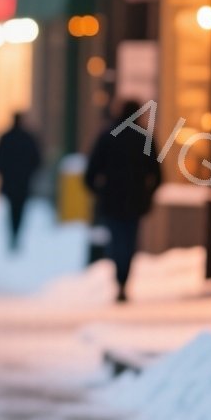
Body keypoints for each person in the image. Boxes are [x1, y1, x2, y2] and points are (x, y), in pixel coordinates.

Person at [84, 98, 162, 302]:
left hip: (112, 199)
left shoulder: (108, 135)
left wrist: (99, 191)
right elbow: (157, 173)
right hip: (135, 200)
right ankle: (123, 280)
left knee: (117, 240)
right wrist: (148, 194)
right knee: (129, 240)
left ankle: (120, 280)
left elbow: (91, 172)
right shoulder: (144, 137)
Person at [0, 112, 43, 251]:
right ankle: (16, 235)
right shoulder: (28, 138)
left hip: (10, 181)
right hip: (23, 182)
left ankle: (13, 235)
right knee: (20, 210)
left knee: (11, 209)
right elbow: (37, 160)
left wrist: (4, 173)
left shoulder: (6, 138)